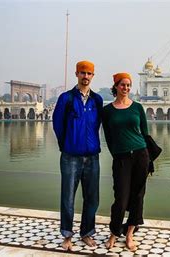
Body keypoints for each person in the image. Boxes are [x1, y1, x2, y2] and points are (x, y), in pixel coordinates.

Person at [52, 60, 103, 250]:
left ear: (93, 76)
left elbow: (96, 124)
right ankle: (67, 235)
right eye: (83, 73)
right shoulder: (66, 98)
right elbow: (57, 124)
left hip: (92, 156)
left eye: (89, 73)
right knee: (68, 198)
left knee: (92, 197)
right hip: (70, 156)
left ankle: (86, 233)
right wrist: (66, 145)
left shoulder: (96, 100)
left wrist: (90, 142)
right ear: (76, 74)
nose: (86, 76)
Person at [102, 73, 150, 251]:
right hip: (121, 157)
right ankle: (114, 233)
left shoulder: (137, 107)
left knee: (138, 196)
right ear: (116, 86)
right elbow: (107, 135)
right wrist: (116, 153)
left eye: (129, 85)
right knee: (121, 198)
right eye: (123, 85)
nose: (126, 88)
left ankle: (129, 234)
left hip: (140, 154)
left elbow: (145, 133)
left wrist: (148, 158)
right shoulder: (107, 111)